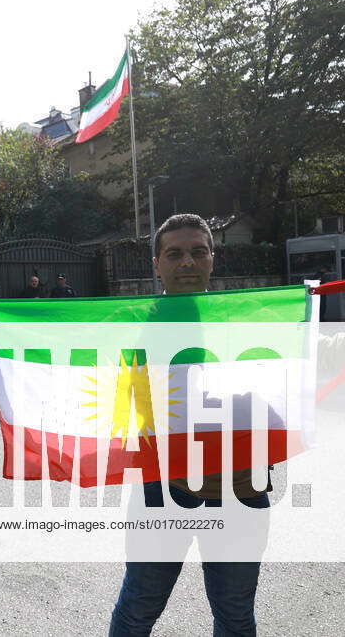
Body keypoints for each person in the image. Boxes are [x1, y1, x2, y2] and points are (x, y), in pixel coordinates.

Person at [108, 213, 269, 637]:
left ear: (212, 259)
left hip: (241, 488)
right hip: (163, 489)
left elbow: (291, 371)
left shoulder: (245, 319)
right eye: (174, 254)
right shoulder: (134, 326)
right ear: (157, 264)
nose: (187, 263)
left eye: (198, 252)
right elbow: (120, 399)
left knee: (235, 616)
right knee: (138, 608)